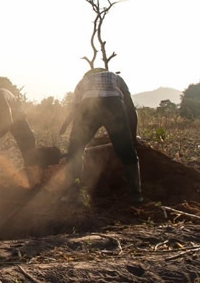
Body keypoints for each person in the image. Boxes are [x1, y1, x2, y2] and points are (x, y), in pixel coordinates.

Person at [60, 68, 142, 204]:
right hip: (114, 105)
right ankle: (136, 195)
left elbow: (75, 111)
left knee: (75, 151)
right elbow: (130, 109)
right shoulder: (116, 78)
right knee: (126, 151)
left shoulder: (83, 81)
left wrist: (70, 134)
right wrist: (132, 139)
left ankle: (72, 193)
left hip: (89, 107)